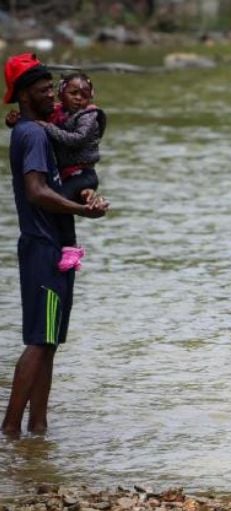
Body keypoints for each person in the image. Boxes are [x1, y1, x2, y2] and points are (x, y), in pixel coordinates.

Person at [1, 52, 109, 437]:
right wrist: (83, 213)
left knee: (49, 343)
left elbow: (65, 181)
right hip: (44, 248)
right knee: (39, 341)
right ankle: (11, 430)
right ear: (25, 96)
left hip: (57, 249)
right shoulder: (32, 134)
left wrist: (86, 197)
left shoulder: (42, 129)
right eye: (46, 91)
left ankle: (38, 431)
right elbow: (36, 191)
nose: (54, 97)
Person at [8, 72, 107, 272]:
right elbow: (36, 116)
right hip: (69, 174)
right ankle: (67, 246)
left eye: (84, 94)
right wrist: (15, 121)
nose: (79, 98)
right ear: (61, 94)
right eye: (74, 93)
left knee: (60, 201)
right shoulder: (59, 111)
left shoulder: (89, 116)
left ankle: (71, 247)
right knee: (60, 201)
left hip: (83, 173)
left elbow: (74, 139)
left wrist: (46, 127)